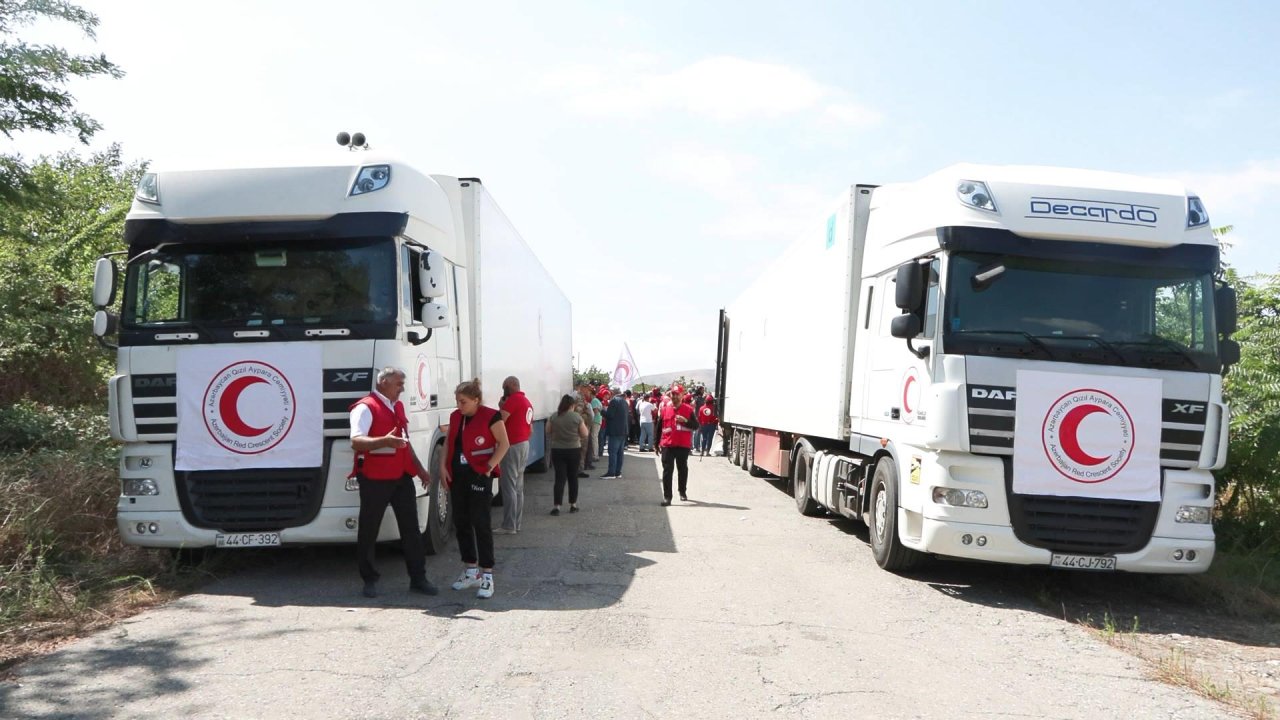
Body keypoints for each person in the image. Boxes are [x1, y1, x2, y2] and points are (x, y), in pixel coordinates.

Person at [348, 367, 438, 598]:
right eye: (399, 384)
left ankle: (418, 578)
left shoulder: (397, 406)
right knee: (369, 529)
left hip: (401, 476)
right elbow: (356, 441)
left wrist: (420, 470)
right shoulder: (365, 407)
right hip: (374, 477)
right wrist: (384, 441)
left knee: (411, 529)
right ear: (384, 382)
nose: (403, 388)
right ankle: (369, 580)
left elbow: (404, 442)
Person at [443, 379, 509, 599]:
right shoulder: (455, 417)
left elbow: (504, 443)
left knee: (481, 523)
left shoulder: (491, 416)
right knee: (461, 522)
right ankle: (471, 570)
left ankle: (487, 574)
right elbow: (449, 443)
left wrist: (490, 467)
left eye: (463, 402)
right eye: (457, 401)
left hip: (479, 473)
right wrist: (443, 467)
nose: (459, 406)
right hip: (457, 474)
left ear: (476, 400)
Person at [496, 376, 533, 535]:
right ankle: (516, 523)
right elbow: (530, 428)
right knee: (518, 486)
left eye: (504, 387)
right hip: (524, 443)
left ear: (510, 386)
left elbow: (500, 421)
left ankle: (508, 525)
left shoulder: (513, 401)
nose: (503, 390)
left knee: (509, 485)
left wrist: (501, 406)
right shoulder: (527, 402)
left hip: (512, 445)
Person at [547, 393, 588, 515]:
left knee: (559, 478)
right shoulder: (577, 417)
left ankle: (557, 506)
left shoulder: (554, 416)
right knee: (573, 478)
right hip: (574, 450)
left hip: (557, 450)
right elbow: (585, 434)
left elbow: (547, 431)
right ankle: (573, 505)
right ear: (572, 405)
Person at [658, 384, 696, 505]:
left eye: (676, 394)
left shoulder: (689, 410)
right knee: (667, 471)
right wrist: (655, 443)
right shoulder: (664, 410)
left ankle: (682, 491)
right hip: (667, 445)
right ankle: (667, 497)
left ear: (682, 395)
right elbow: (659, 427)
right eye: (672, 394)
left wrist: (685, 421)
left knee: (682, 469)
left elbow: (696, 426)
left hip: (682, 445)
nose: (674, 396)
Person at [602, 388, 630, 479]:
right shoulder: (625, 402)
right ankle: (618, 472)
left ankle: (611, 473)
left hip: (615, 431)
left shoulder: (614, 401)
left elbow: (610, 415)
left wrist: (601, 411)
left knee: (613, 452)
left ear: (614, 393)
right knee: (619, 453)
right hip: (623, 431)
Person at [576, 385, 595, 477]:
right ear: (583, 388)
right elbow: (578, 415)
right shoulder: (579, 399)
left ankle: (579, 469)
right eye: (588, 390)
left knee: (581, 451)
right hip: (581, 429)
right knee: (581, 451)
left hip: (582, 428)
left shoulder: (581, 398)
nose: (589, 392)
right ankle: (579, 470)